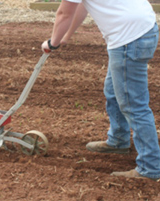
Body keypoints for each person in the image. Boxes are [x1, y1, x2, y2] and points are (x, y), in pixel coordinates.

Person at [42, 0, 160, 181]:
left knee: (133, 105)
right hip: (142, 29)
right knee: (113, 90)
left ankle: (150, 166)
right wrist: (66, 36)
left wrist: (53, 42)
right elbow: (80, 6)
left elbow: (64, 14)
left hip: (128, 38)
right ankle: (118, 140)